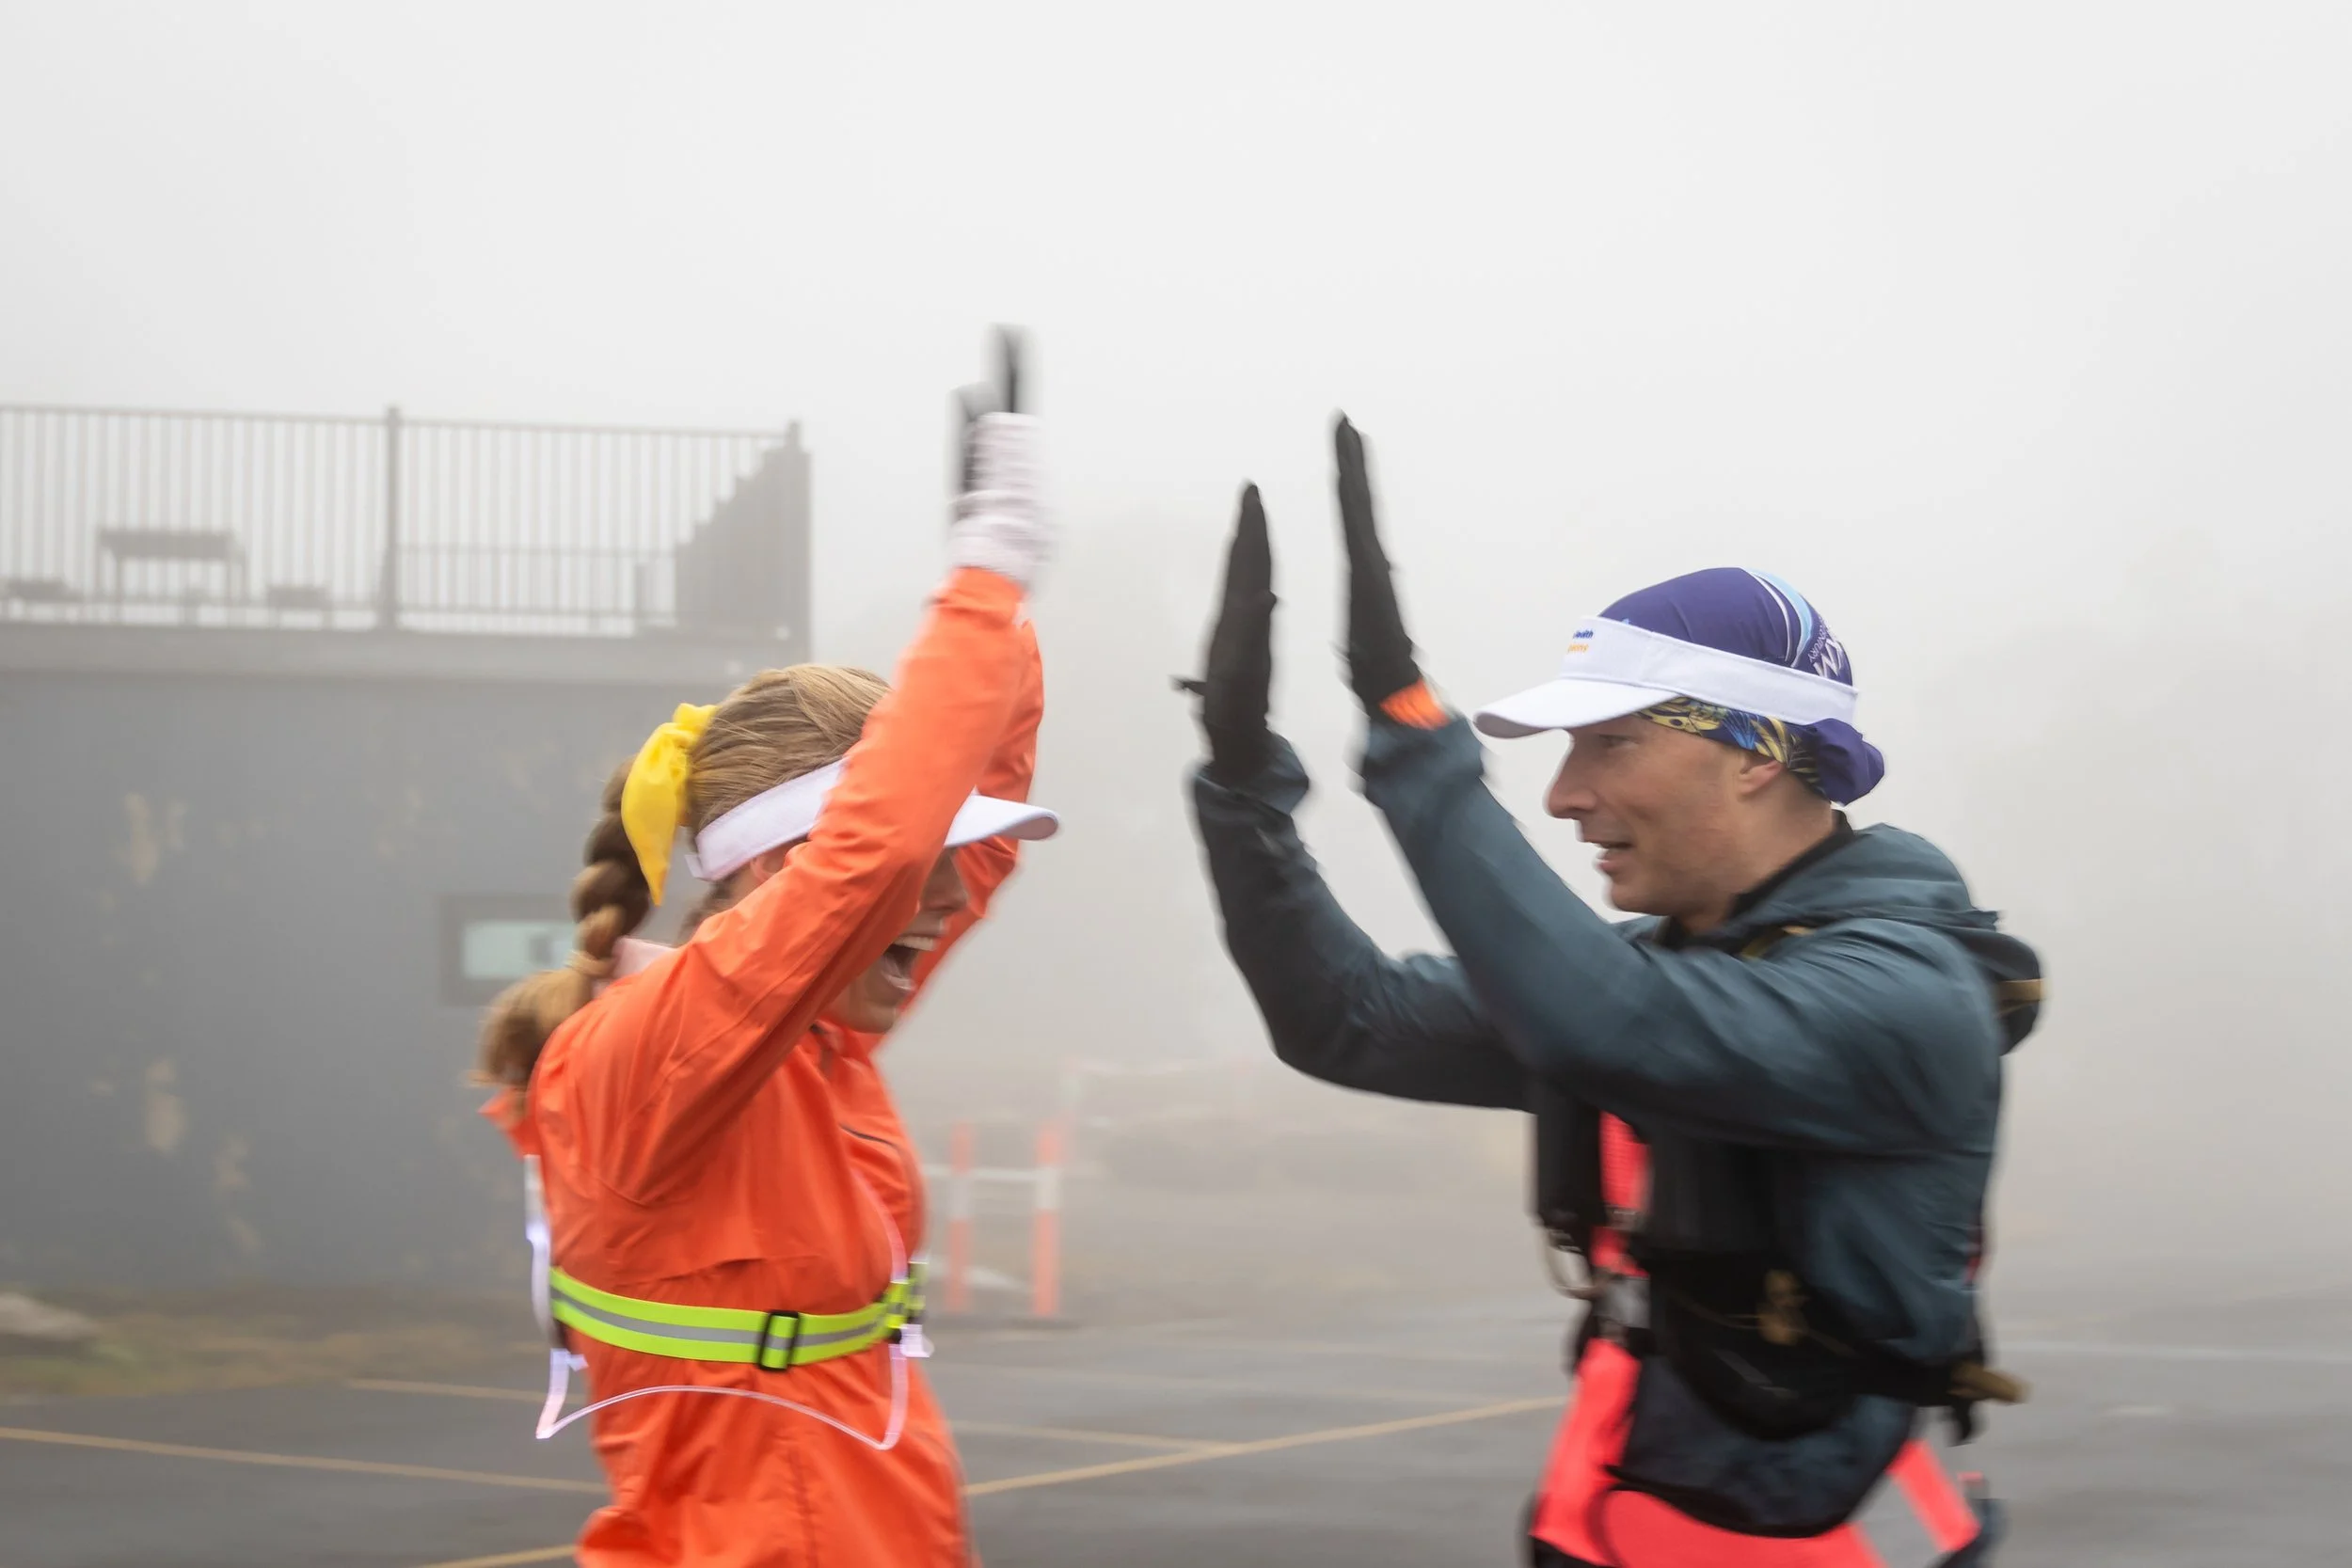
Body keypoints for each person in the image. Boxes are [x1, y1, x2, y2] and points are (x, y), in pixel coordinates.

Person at [1183, 420, 2041, 1567]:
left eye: (1611, 744)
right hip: (1632, 1518)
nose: (1564, 795)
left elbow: (1601, 1024)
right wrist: (1244, 791)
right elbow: (1349, 1019)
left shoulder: (1898, 996)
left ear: (1755, 752)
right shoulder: (1679, 968)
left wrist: (1409, 732)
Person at [476, 333, 1057, 1568]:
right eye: (920, 859)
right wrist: (977, 590)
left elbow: (940, 850)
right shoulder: (636, 1062)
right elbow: (879, 857)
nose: (949, 893)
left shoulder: (816, 1036)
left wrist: (1005, 630)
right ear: (767, 874)